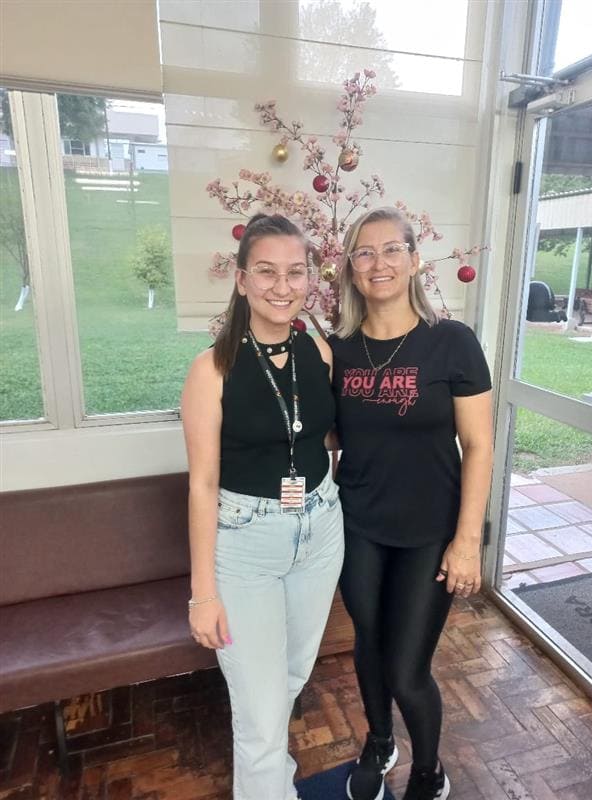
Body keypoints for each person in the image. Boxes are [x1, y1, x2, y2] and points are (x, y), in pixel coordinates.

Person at [329, 207, 493, 800]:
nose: (379, 263)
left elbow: (479, 446)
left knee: (405, 668)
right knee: (368, 645)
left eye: (392, 249)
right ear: (351, 267)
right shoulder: (337, 349)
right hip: (358, 524)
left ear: (414, 260)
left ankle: (429, 771)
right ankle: (380, 741)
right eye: (365, 252)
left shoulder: (452, 342)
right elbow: (327, 435)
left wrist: (467, 540)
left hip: (431, 530)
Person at [181, 213, 344, 800]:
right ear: (242, 279)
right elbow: (203, 484)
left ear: (310, 279)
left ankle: (274, 777)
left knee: (290, 678)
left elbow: (325, 439)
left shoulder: (318, 352)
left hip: (321, 530)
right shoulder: (212, 370)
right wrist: (203, 594)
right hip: (246, 542)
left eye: (296, 272)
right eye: (267, 272)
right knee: (259, 709)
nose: (282, 286)